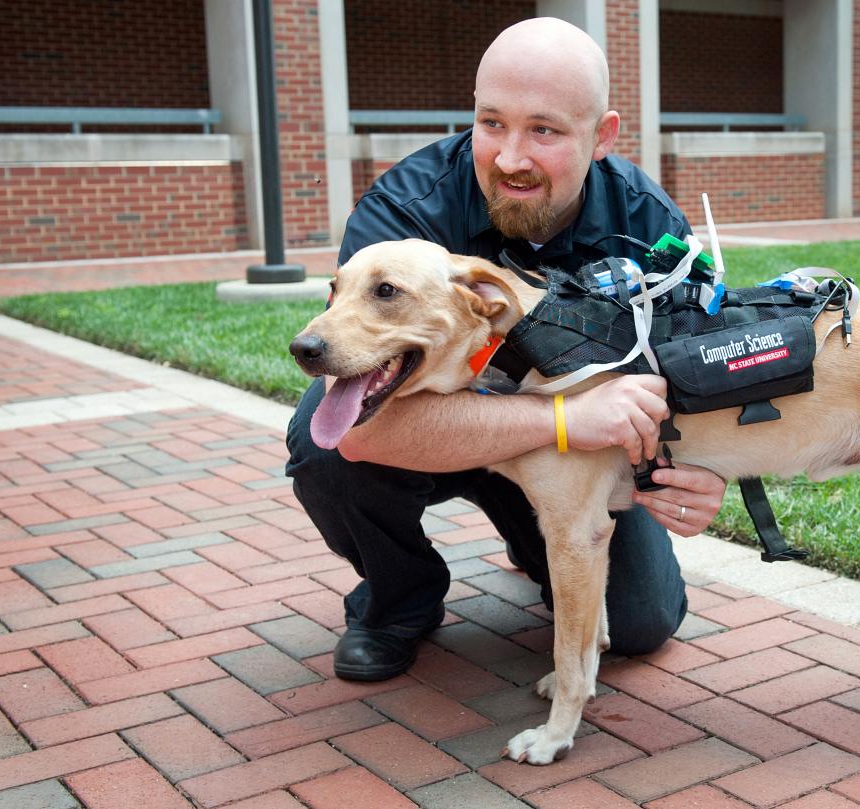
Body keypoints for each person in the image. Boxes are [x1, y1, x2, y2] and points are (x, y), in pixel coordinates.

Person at [285, 17, 727, 682]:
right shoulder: (408, 210)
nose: (510, 157)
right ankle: (399, 600)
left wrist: (697, 472)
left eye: (544, 130)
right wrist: (564, 420)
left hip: (567, 463)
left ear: (602, 136)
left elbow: (695, 380)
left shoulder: (648, 226)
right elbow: (359, 435)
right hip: (444, 435)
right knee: (323, 444)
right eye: (491, 123)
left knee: (640, 623)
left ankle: (536, 540)